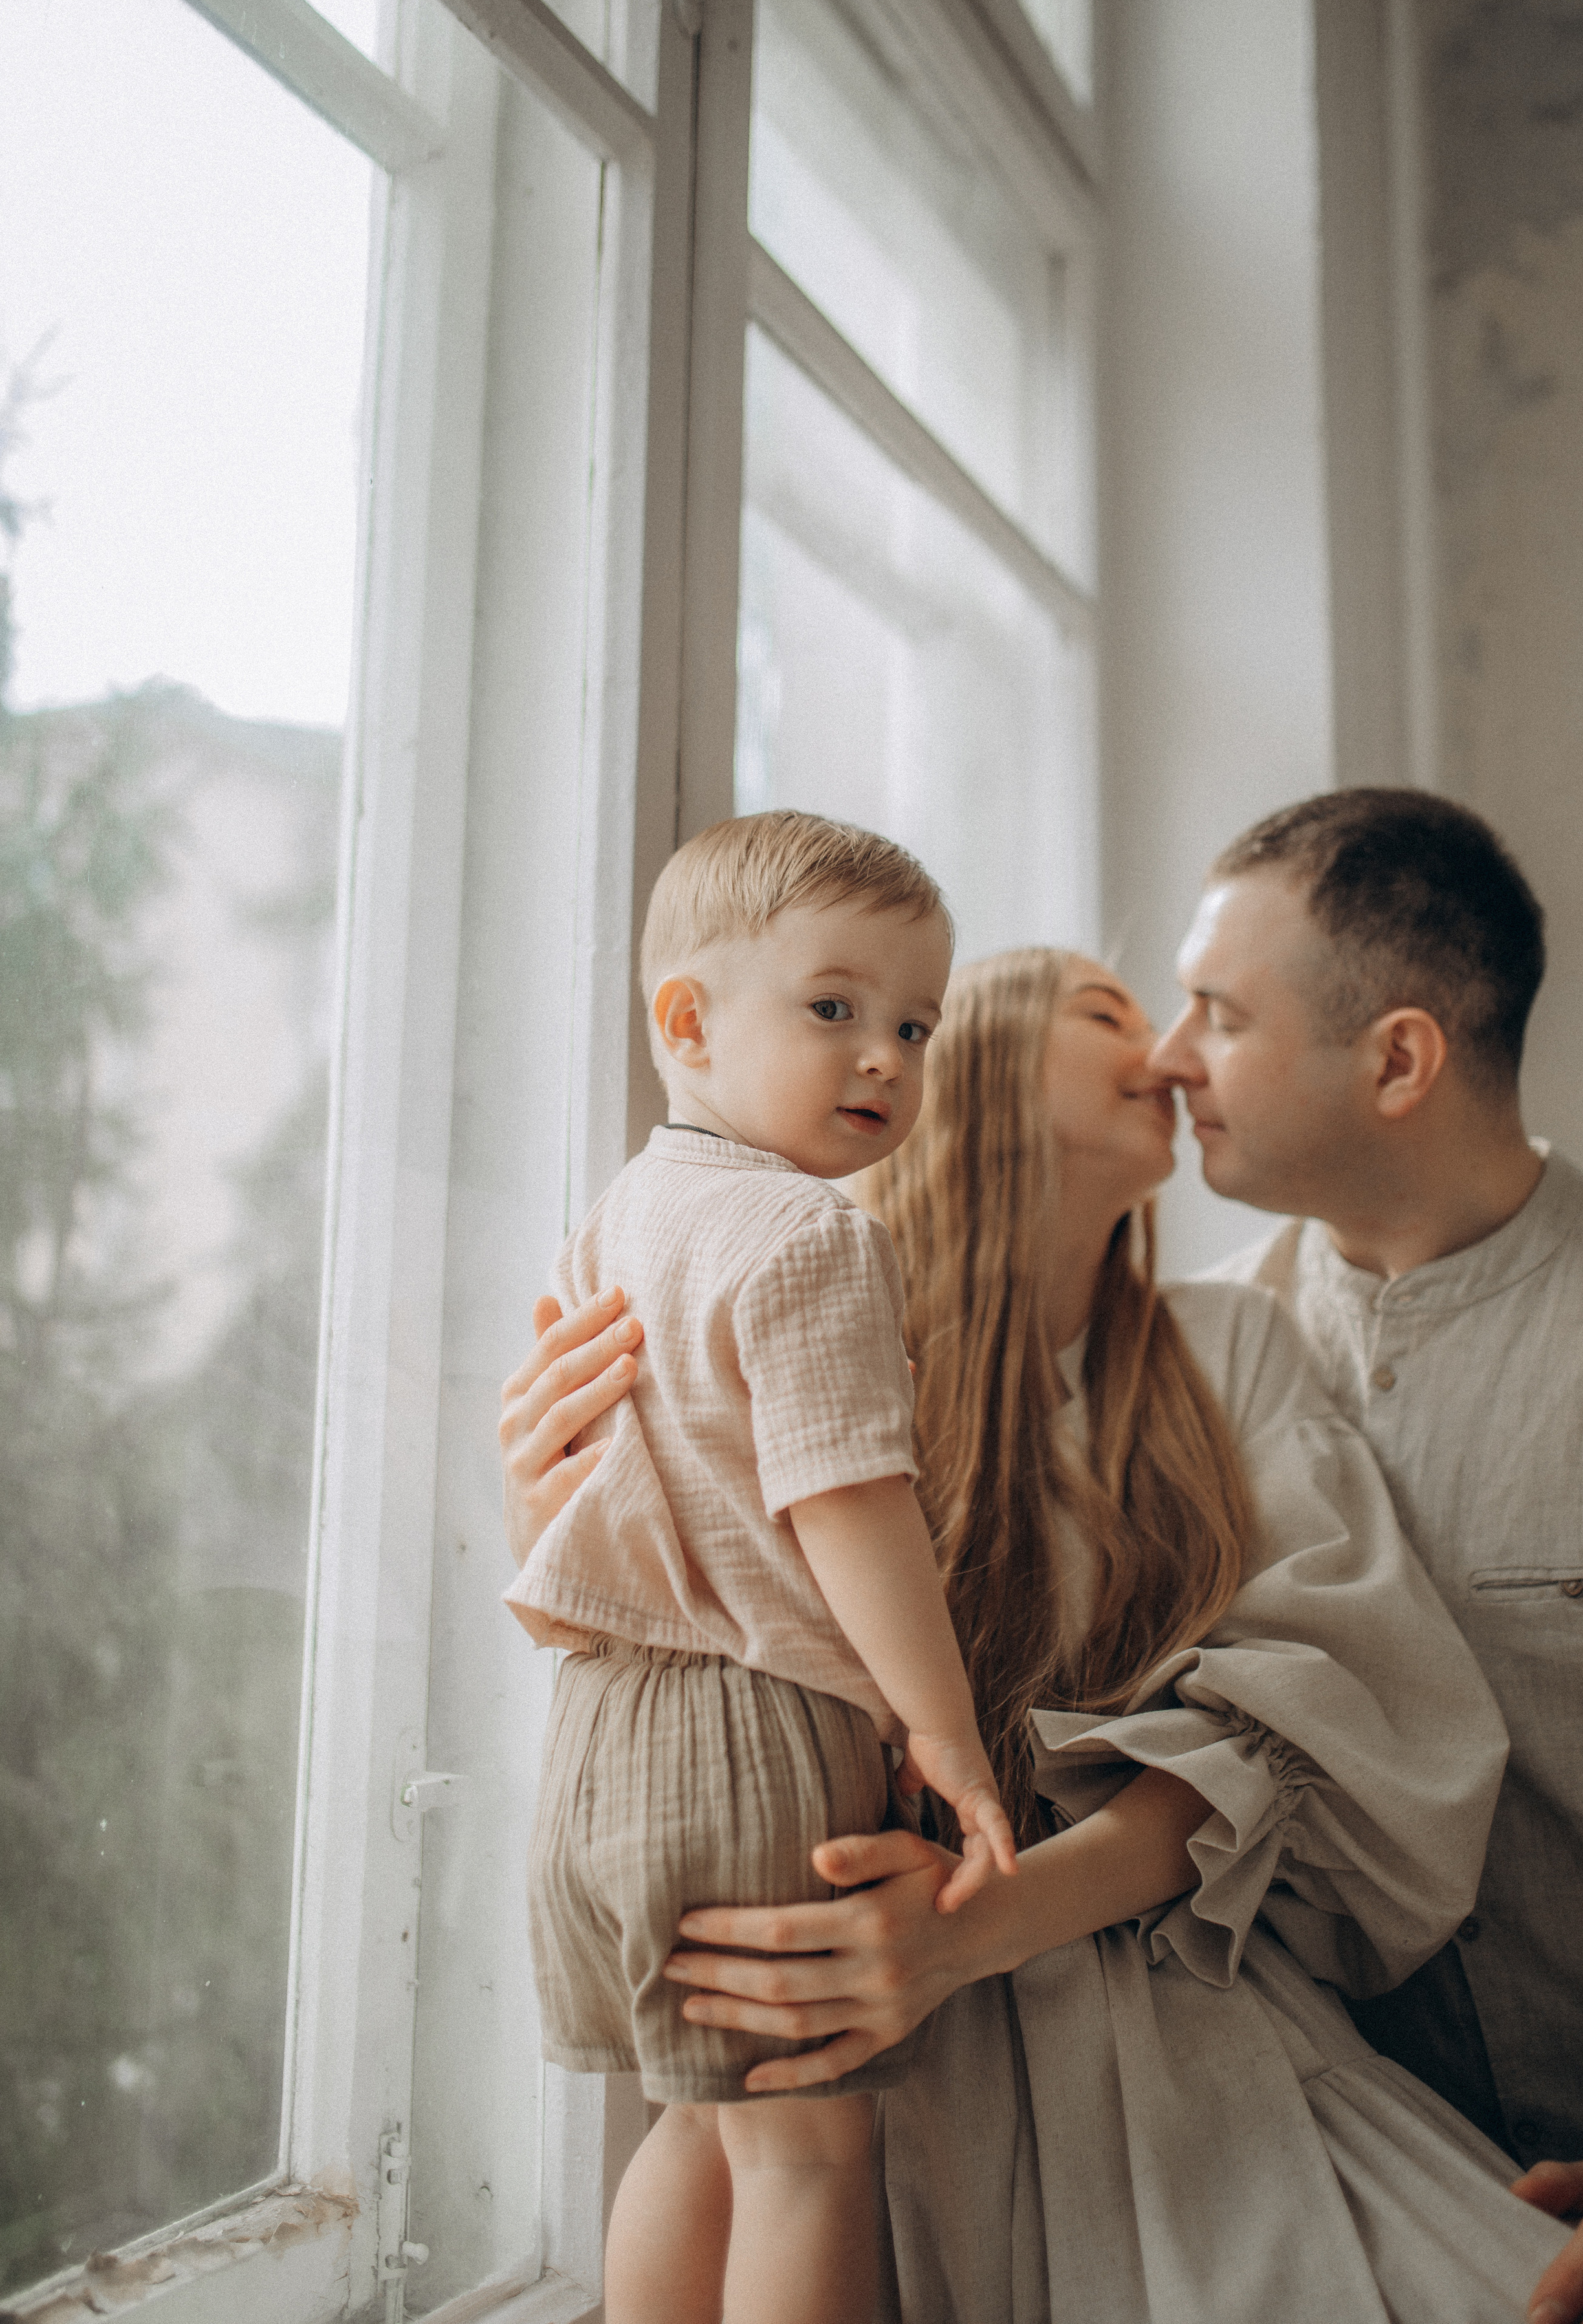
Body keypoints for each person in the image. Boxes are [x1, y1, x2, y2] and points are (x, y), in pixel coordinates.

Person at [502, 942, 1575, 2322]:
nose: (1170, 1053)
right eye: (1107, 1011)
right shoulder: (807, 1320)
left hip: (1184, 2053)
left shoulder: (1222, 1348)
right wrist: (560, 1513)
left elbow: (1330, 1721)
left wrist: (976, 1927)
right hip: (876, 2074)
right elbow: (683, 1689)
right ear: (982, 1066)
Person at [1148, 787, 1583, 2324]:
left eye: (1216, 1015)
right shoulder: (1173, 1370)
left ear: (1396, 1059)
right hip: (1329, 2229)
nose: (1164, 1059)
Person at [501, 810, 1016, 2324]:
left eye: (915, 1025)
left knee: (708, 2134)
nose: (885, 1059)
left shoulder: (618, 1218)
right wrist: (942, 1727)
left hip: (599, 1738)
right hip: (747, 1727)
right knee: (807, 2153)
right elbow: (846, 1504)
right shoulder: (806, 1236)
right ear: (686, 1022)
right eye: (834, 1009)